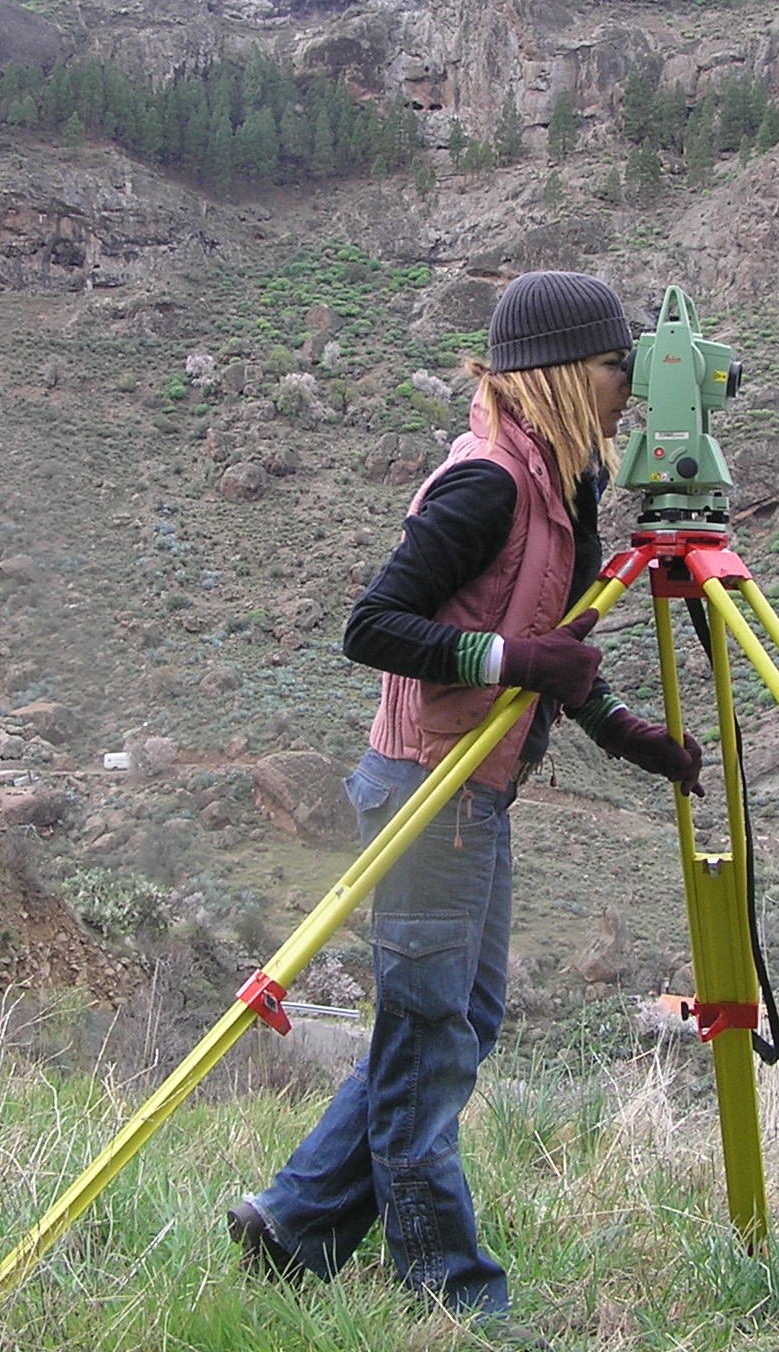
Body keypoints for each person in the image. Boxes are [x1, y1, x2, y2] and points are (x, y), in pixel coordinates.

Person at [226, 270, 703, 1322]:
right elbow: (372, 624)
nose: (633, 393)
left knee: (453, 1022)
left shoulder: (560, 478)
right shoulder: (486, 479)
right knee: (433, 1039)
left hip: (472, 797)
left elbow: (557, 639)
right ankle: (450, 1294)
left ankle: (292, 1222)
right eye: (621, 370)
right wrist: (515, 659)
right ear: (576, 370)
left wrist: (619, 728)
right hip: (423, 793)